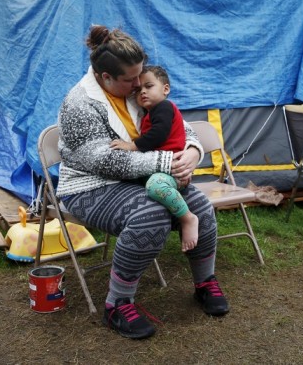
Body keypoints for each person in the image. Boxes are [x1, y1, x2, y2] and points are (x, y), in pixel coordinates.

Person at [57, 25, 229, 339]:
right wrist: (170, 162)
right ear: (105, 77)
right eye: (130, 79)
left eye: (141, 76)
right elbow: (105, 161)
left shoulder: (137, 92)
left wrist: (192, 151)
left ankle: (205, 283)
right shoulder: (79, 104)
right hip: (89, 185)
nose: (139, 84)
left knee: (200, 205)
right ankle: (116, 304)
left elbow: (177, 125)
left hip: (143, 177)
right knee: (150, 215)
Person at [110, 65, 199, 252]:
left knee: (155, 186)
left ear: (165, 89)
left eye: (148, 86)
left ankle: (188, 218)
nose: (142, 92)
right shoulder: (149, 114)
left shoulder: (164, 107)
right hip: (158, 168)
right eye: (138, 89)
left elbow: (158, 135)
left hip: (170, 168)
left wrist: (132, 146)